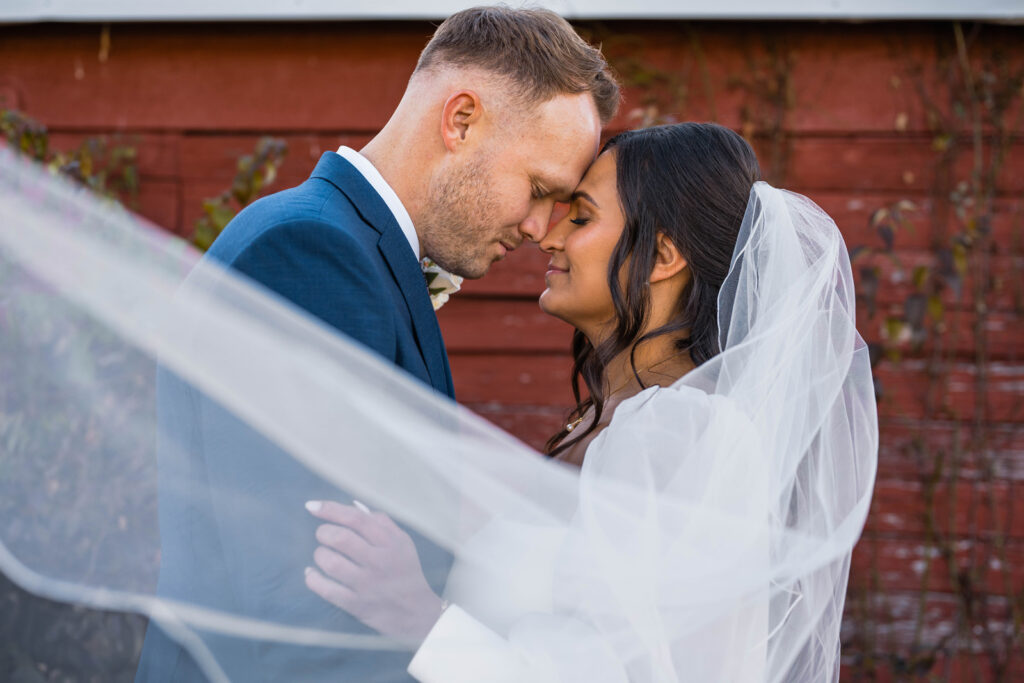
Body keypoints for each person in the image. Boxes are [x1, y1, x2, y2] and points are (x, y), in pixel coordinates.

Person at [134, 6, 619, 682]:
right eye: (539, 189)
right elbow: (308, 607)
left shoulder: (345, 248)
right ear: (461, 120)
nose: (541, 228)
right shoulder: (311, 255)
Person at [303, 123, 879, 682]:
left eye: (580, 216)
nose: (548, 236)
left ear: (661, 258)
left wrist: (417, 619)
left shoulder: (678, 432)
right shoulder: (611, 421)